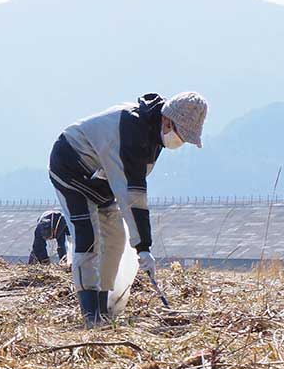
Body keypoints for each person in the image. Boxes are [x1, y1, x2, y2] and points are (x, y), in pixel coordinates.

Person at [49, 92, 207, 325]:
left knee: (115, 237)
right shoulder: (133, 130)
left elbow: (133, 187)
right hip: (70, 166)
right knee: (88, 236)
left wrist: (140, 243)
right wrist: (143, 246)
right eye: (182, 136)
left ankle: (103, 306)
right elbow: (132, 195)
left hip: (100, 176)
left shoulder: (155, 133)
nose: (180, 142)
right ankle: (90, 315)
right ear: (167, 121)